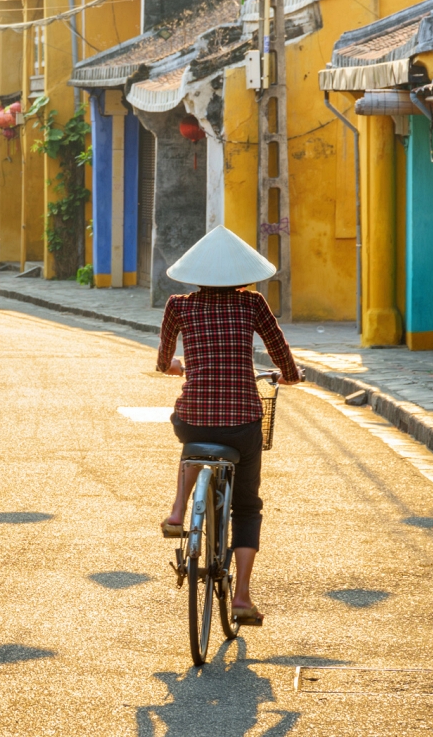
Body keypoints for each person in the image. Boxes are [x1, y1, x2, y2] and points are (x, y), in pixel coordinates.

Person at [156, 225, 302, 626]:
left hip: (194, 418)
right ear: (242, 273)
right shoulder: (252, 305)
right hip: (241, 422)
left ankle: (176, 512)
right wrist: (290, 374)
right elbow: (280, 351)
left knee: (192, 443)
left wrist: (174, 367)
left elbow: (163, 359)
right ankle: (241, 597)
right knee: (247, 506)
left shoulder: (179, 306)